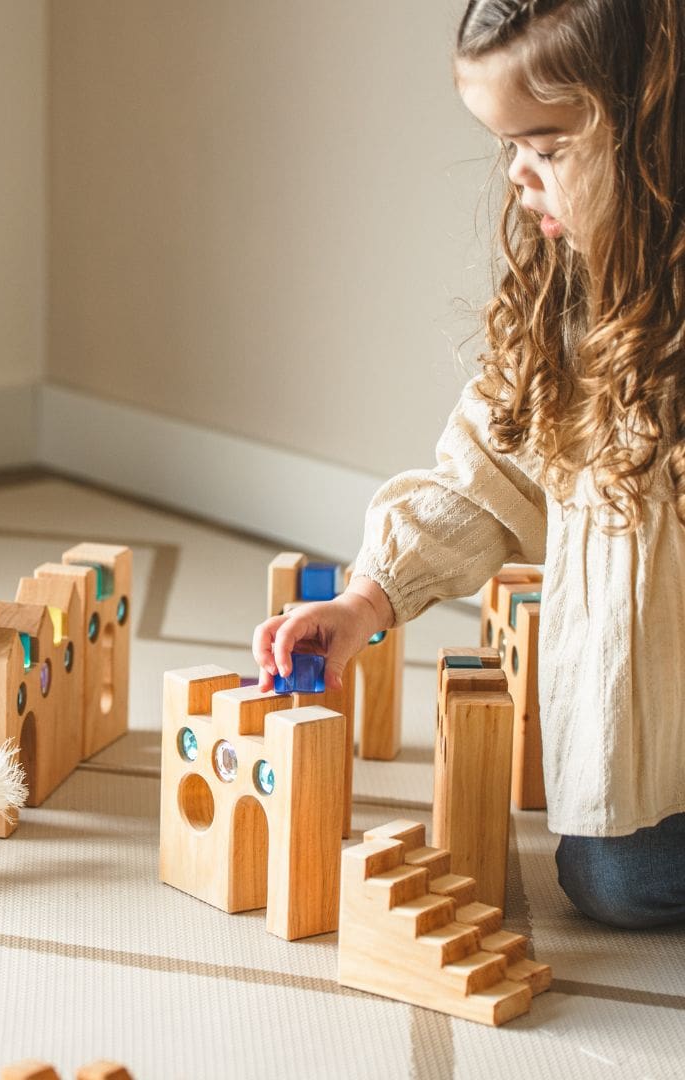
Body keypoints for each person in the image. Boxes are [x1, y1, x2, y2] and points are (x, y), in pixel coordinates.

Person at [253, 0, 685, 930]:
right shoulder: (571, 303)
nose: (520, 176)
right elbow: (484, 478)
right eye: (508, 148)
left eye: (548, 147)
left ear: (653, 137)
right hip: (655, 723)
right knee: (608, 877)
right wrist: (367, 600)